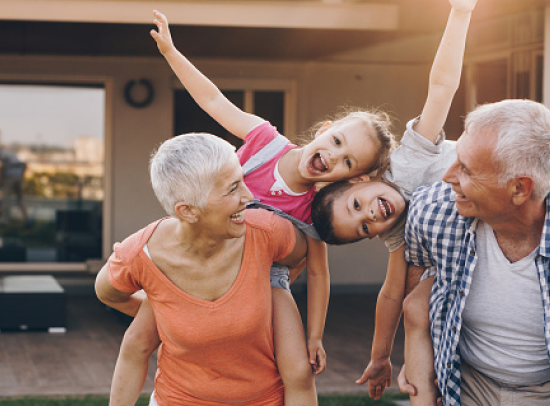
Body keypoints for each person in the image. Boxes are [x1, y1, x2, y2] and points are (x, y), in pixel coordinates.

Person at [107, 10, 396, 406]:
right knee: (140, 337)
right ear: (326, 128)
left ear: (350, 179)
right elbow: (212, 99)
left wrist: (314, 337)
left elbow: (318, 272)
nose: (334, 157)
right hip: (202, 251)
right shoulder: (265, 141)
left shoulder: (312, 210)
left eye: (348, 163)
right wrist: (172, 53)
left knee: (295, 368)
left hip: (265, 280)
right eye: (338, 142)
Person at [309, 0, 476, 402]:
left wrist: (460, 12)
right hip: (488, 240)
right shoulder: (401, 232)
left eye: (356, 206)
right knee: (417, 302)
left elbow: (441, 88)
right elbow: (391, 292)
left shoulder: (406, 164)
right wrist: (380, 356)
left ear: (361, 179)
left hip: (512, 180)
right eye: (365, 228)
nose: (371, 216)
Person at [95, 132, 308, 406]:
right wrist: (163, 312)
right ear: (188, 211)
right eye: (232, 189)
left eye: (242, 180)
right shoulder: (141, 254)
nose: (248, 195)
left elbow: (303, 255)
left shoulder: (267, 232)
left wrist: (265, 291)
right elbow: (108, 293)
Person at [396, 98, 550, 406]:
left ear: (519, 188)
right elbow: (418, 278)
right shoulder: (432, 210)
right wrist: (423, 358)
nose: (448, 176)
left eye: (466, 169)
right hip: (469, 383)